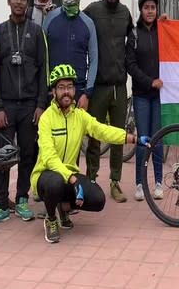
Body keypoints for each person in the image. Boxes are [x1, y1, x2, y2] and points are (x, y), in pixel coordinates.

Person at [31, 64, 139, 243]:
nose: (66, 92)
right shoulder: (46, 119)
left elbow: (102, 130)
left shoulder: (79, 116)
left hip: (69, 175)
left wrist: (133, 138)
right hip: (46, 175)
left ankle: (63, 208)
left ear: (74, 90)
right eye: (61, 87)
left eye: (69, 87)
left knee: (98, 199)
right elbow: (49, 158)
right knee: (55, 182)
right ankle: (51, 219)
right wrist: (72, 179)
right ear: (53, 91)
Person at [0, 0, 48, 226]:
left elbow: (44, 70)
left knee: (28, 154)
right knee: (2, 155)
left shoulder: (37, 32)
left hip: (31, 105)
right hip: (6, 106)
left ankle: (21, 199)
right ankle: (0, 203)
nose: (19, 2)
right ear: (9, 1)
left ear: (27, 2)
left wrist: (41, 104)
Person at [83, 0, 133, 203]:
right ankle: (91, 179)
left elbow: (137, 37)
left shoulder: (125, 13)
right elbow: (77, 25)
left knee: (117, 137)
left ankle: (115, 181)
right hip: (99, 85)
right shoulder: (93, 10)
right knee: (94, 134)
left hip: (119, 87)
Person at [125, 0, 164, 201]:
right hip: (141, 94)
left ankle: (158, 181)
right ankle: (140, 183)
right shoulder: (134, 33)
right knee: (143, 140)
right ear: (141, 10)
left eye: (153, 7)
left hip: (160, 96)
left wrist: (168, 24)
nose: (150, 11)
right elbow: (130, 64)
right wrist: (150, 81)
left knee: (157, 139)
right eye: (146, 7)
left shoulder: (163, 30)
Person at [43, 0, 97, 110]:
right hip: (54, 90)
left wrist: (87, 93)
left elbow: (94, 60)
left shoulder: (88, 23)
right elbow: (43, 56)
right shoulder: (50, 18)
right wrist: (45, 90)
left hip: (78, 90)